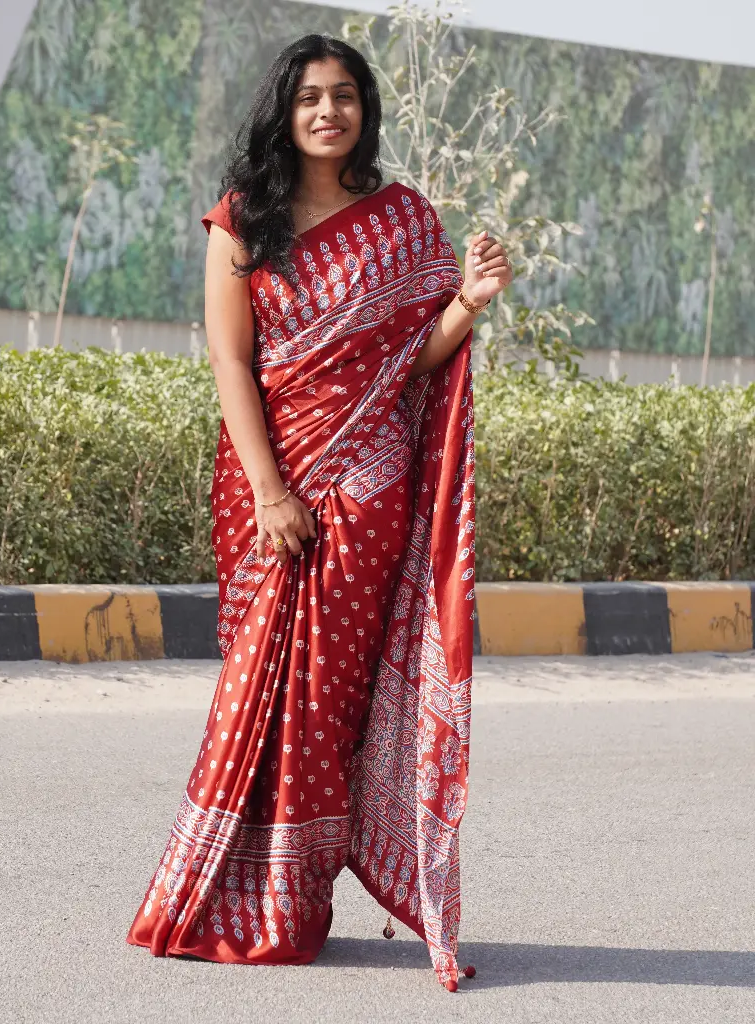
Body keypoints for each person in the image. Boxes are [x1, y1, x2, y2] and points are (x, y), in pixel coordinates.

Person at [126, 33, 512, 992]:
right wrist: (269, 490)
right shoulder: (244, 220)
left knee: (327, 703)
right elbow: (230, 362)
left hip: (370, 495)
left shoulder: (400, 220)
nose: (328, 112)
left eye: (344, 96)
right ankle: (214, 894)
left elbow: (410, 367)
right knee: (259, 686)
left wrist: (467, 301)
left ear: (364, 110)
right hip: (275, 491)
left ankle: (293, 905)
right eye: (309, 98)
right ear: (283, 112)